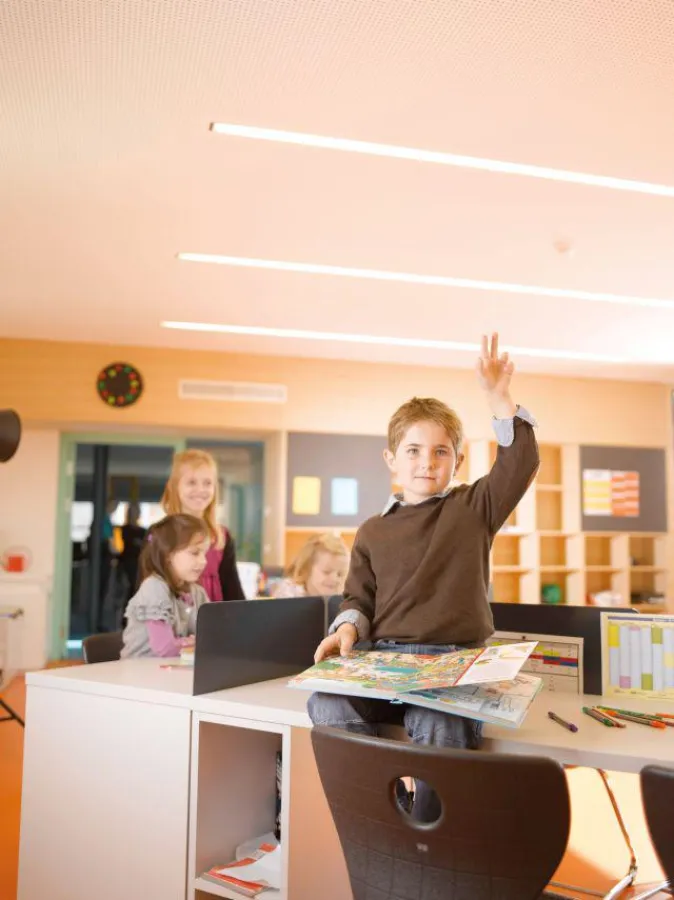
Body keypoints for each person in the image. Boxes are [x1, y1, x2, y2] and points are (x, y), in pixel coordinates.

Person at [307, 333, 540, 822]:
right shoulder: (371, 530)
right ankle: (385, 820)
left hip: (450, 663)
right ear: (392, 460)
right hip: (383, 664)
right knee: (327, 702)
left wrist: (499, 396)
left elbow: (520, 463)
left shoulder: (473, 508)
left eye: (440, 452)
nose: (426, 463)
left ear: (457, 461)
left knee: (438, 721)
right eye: (413, 451)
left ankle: (433, 831)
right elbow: (358, 599)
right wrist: (347, 629)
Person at [160, 449, 246, 602]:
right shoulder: (160, 535)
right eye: (191, 482)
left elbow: (233, 591)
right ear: (175, 487)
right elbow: (146, 588)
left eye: (207, 483)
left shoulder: (222, 537)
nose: (200, 490)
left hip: (214, 622)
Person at [121, 514, 210, 658]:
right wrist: (197, 643)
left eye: (205, 554)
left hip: (170, 673)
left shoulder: (198, 593)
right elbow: (165, 648)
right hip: (138, 674)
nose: (203, 561)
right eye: (195, 553)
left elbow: (212, 639)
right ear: (168, 554)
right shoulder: (154, 587)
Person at [272, 533, 349, 598]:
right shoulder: (289, 592)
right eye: (326, 572)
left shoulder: (343, 596)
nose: (334, 579)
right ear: (306, 569)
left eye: (340, 574)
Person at [119, 502, 146, 599]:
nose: (135, 514)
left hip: (139, 563)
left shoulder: (143, 531)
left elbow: (150, 540)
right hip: (127, 562)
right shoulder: (123, 529)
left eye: (137, 512)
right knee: (130, 586)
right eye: (133, 512)